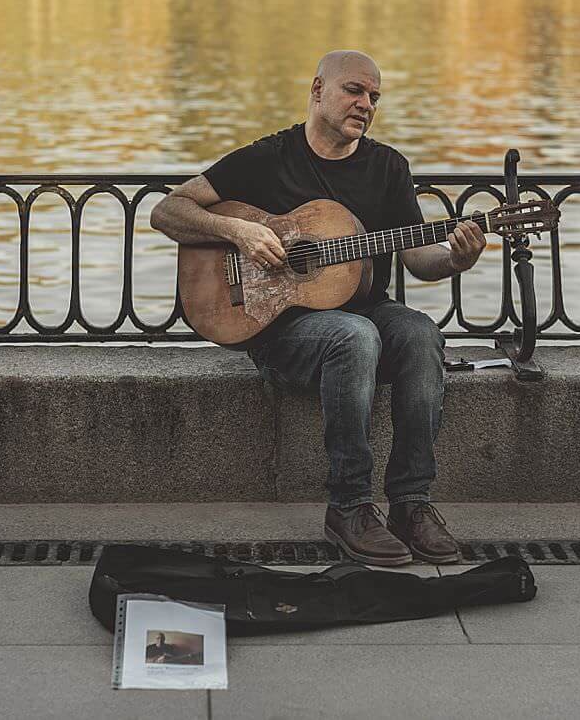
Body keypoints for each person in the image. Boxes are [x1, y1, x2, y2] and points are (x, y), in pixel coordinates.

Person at [150, 50, 485, 567]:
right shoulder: (267, 158)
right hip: (276, 327)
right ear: (317, 89)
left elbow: (419, 259)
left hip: (365, 314)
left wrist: (456, 259)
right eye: (355, 90)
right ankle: (349, 507)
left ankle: (411, 504)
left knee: (418, 332)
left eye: (374, 97)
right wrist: (238, 231)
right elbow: (168, 210)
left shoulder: (387, 166)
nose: (366, 104)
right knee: (354, 336)